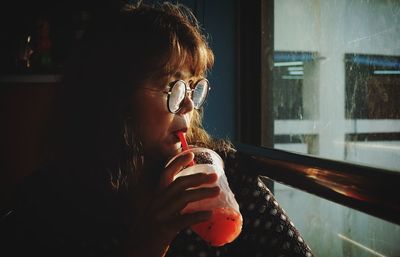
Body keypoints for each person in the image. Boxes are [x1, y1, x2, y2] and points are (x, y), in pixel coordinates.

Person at [1, 2, 314, 257]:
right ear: (114, 97)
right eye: (172, 86)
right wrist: (146, 244)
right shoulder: (50, 202)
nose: (190, 105)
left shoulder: (226, 174)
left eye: (192, 87)